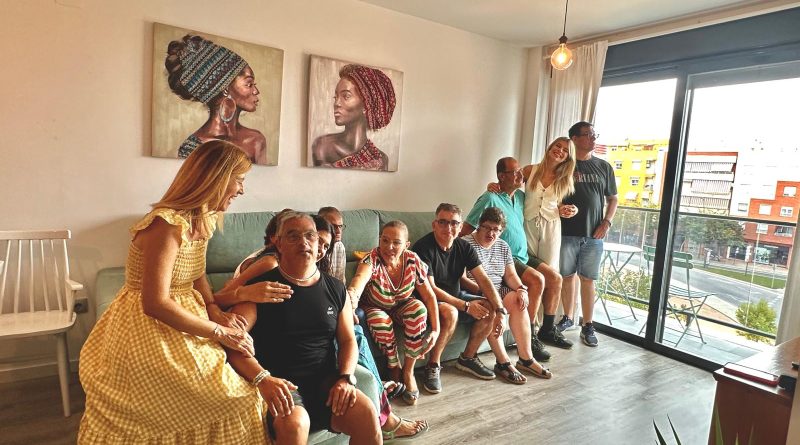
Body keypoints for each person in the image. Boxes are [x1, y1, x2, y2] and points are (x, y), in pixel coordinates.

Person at [78, 140, 286, 443]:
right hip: (148, 326)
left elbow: (197, 273)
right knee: (233, 397)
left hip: (188, 314)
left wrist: (213, 308)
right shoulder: (167, 225)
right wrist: (219, 331)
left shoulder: (204, 218)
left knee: (236, 393)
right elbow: (155, 303)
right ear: (216, 178)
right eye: (239, 180)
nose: (242, 190)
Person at [219, 213, 428, 441]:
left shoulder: (336, 289)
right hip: (281, 385)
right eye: (293, 236)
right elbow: (233, 342)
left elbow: (348, 340)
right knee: (296, 423)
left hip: (326, 383)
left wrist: (346, 377)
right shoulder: (262, 288)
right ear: (278, 243)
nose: (303, 242)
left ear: (319, 243)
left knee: (367, 412)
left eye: (310, 235)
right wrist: (263, 379)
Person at [412, 203, 505, 394]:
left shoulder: (463, 246)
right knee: (451, 312)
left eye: (454, 223)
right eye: (443, 222)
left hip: (456, 295)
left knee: (489, 307)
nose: (448, 228)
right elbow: (431, 289)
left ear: (461, 226)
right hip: (427, 301)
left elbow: (483, 280)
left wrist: (500, 309)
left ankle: (467, 358)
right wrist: (466, 306)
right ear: (434, 224)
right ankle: (433, 365)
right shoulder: (422, 247)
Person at [347, 220, 440, 405]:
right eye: (385, 240)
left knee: (418, 309)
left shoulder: (413, 260)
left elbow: (429, 296)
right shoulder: (371, 259)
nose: (389, 247)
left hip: (402, 305)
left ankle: (408, 371)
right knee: (380, 320)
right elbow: (358, 282)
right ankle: (394, 368)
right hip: (375, 307)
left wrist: (436, 330)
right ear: (379, 240)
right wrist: (351, 300)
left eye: (396, 243)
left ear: (406, 245)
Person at [461, 207, 552, 383]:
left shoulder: (503, 246)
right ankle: (503, 362)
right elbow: (462, 279)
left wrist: (521, 289)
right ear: (479, 225)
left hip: (498, 288)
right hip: (476, 291)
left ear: (502, 231)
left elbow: (510, 275)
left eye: (496, 229)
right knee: (492, 307)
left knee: (519, 300)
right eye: (487, 227)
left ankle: (526, 358)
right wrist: (489, 296)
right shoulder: (465, 244)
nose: (491, 233)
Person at [559, 122, 618, 347]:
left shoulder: (604, 167)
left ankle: (588, 324)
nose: (593, 139)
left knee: (588, 279)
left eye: (594, 135)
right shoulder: (563, 164)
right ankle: (567, 317)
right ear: (574, 139)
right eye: (588, 135)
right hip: (565, 232)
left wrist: (607, 222)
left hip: (594, 234)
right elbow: (544, 186)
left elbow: (613, 199)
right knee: (566, 276)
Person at [165, 34, 268, 164]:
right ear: (225, 89)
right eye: (249, 84)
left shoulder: (256, 140)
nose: (256, 91)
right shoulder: (192, 148)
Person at [311, 64, 395, 170]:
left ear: (367, 105)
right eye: (335, 97)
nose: (336, 103)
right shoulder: (323, 147)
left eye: (346, 96)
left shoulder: (380, 159)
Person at [319, 206, 347, 283]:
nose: (338, 231)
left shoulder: (339, 246)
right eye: (333, 226)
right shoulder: (313, 247)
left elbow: (340, 280)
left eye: (340, 226)